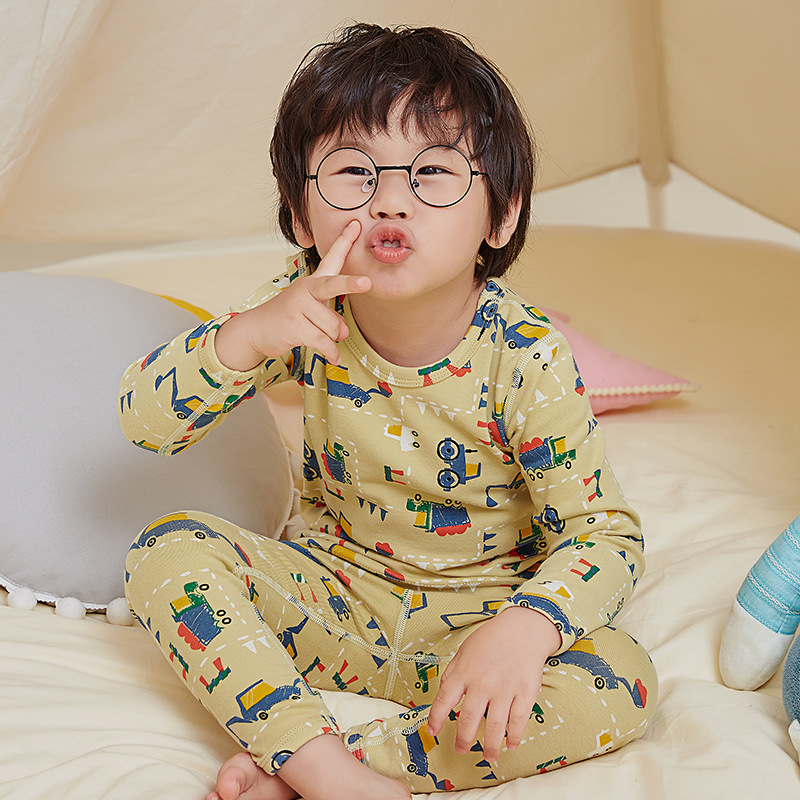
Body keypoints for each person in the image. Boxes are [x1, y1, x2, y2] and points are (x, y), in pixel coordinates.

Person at [121, 23, 657, 800]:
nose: (390, 200)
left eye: (433, 171)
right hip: (333, 603)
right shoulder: (304, 308)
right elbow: (143, 422)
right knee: (164, 551)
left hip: (478, 630)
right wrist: (250, 334)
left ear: (501, 217)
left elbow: (605, 534)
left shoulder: (525, 356)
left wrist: (526, 628)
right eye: (354, 172)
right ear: (300, 217)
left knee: (623, 683)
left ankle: (346, 764)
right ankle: (314, 764)